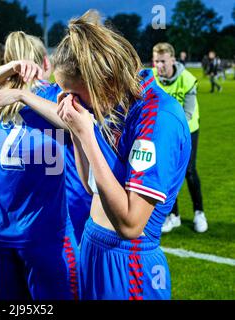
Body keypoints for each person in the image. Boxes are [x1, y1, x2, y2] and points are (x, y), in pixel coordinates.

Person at [53, 10, 191, 300]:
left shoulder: (159, 118)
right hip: (93, 244)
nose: (70, 102)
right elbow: (93, 185)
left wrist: (88, 135)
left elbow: (130, 224)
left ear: (100, 81)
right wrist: (78, 133)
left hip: (129, 263)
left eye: (74, 94)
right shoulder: (115, 102)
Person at [0, 31, 79, 300]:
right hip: (39, 230)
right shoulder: (11, 98)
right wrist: (16, 88)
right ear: (45, 62)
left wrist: (20, 94)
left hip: (17, 227)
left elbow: (71, 122)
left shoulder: (8, 99)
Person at [152, 42, 207, 233]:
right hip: (165, 132)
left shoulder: (187, 79)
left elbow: (188, 113)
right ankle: (173, 215)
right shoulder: (152, 79)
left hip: (188, 130)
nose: (159, 66)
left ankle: (199, 213)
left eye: (163, 61)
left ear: (173, 60)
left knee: (189, 171)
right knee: (167, 173)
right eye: (156, 61)